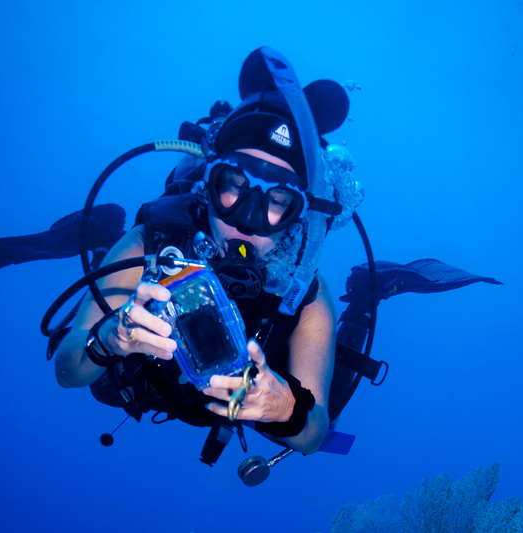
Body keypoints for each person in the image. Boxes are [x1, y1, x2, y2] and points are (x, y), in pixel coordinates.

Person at [53, 47, 354, 455]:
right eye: (233, 184)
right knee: (106, 387)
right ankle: (106, 228)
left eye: (278, 200)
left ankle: (369, 299)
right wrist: (110, 337)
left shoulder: (305, 296)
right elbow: (68, 370)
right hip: (142, 385)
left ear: (298, 217)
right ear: (208, 186)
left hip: (229, 408)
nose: (248, 219)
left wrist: (286, 407)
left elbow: (314, 434)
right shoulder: (151, 243)